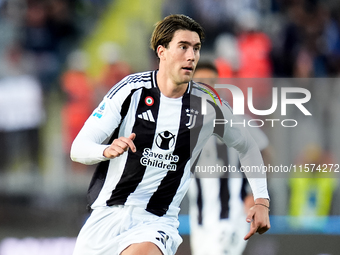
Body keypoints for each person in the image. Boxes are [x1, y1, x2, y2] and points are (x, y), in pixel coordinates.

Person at [70, 14, 270, 255]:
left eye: (195, 48)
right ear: (161, 51)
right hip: (105, 218)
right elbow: (78, 148)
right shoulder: (130, 91)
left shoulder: (208, 104)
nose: (191, 56)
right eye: (183, 47)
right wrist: (105, 150)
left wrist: (261, 200)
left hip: (156, 221)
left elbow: (247, 146)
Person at [188, 61, 271, 255]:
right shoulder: (182, 123)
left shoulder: (237, 121)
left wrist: (254, 192)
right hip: (199, 219)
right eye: (201, 81)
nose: (207, 86)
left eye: (211, 81)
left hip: (232, 214)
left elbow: (264, 153)